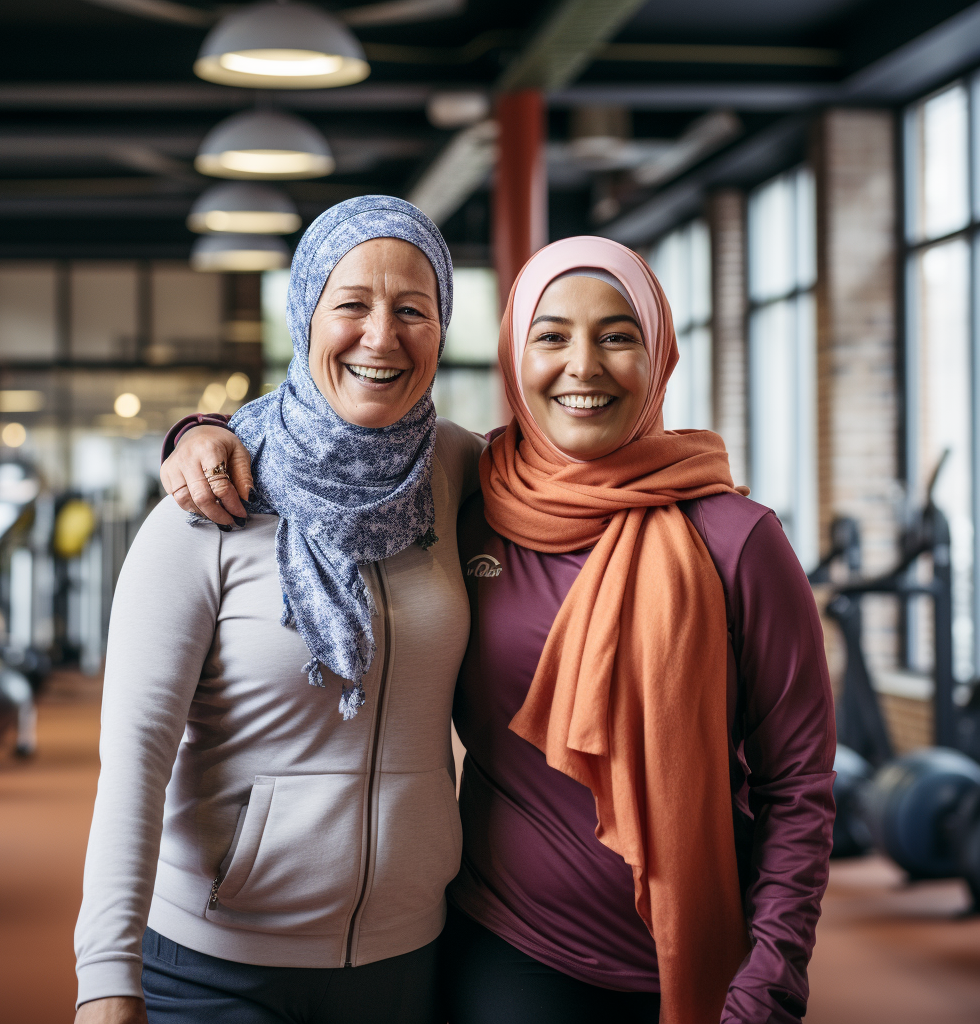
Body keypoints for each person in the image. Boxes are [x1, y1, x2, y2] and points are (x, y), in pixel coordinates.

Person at [165, 237, 836, 1024]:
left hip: (696, 961)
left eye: (618, 335)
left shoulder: (737, 538)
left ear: (660, 354)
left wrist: (769, 984)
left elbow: (799, 787)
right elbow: (330, 448)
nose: (583, 366)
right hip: (505, 951)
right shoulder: (465, 492)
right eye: (551, 336)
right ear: (516, 354)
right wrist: (203, 431)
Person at [73, 196, 484, 1024]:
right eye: (353, 305)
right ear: (305, 311)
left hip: (409, 954)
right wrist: (105, 979)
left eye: (414, 309)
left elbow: (584, 480)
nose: (382, 336)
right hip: (218, 961)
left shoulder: (460, 471)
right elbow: (135, 762)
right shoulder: (210, 501)